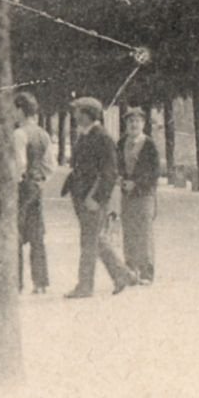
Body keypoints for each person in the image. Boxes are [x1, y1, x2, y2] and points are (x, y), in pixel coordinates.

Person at [62, 97, 136, 298]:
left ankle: (85, 287)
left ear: (87, 114)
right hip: (81, 197)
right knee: (96, 239)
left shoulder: (102, 138)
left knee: (88, 242)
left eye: (77, 111)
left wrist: (96, 198)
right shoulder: (85, 135)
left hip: (92, 199)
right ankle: (124, 275)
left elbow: (109, 173)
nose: (74, 115)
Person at [13, 93, 52, 293]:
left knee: (15, 234)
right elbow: (49, 165)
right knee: (37, 235)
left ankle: (16, 283)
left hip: (21, 187)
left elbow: (20, 164)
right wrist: (41, 180)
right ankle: (40, 282)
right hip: (37, 186)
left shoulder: (19, 134)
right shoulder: (43, 134)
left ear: (20, 110)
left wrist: (14, 181)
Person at [119, 106, 160, 285]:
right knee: (128, 231)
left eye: (137, 121)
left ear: (143, 124)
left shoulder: (149, 145)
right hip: (126, 194)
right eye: (130, 121)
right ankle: (130, 270)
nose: (134, 124)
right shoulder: (121, 143)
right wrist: (121, 180)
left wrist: (136, 183)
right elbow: (116, 165)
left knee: (144, 232)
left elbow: (154, 172)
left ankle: (146, 272)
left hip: (145, 195)